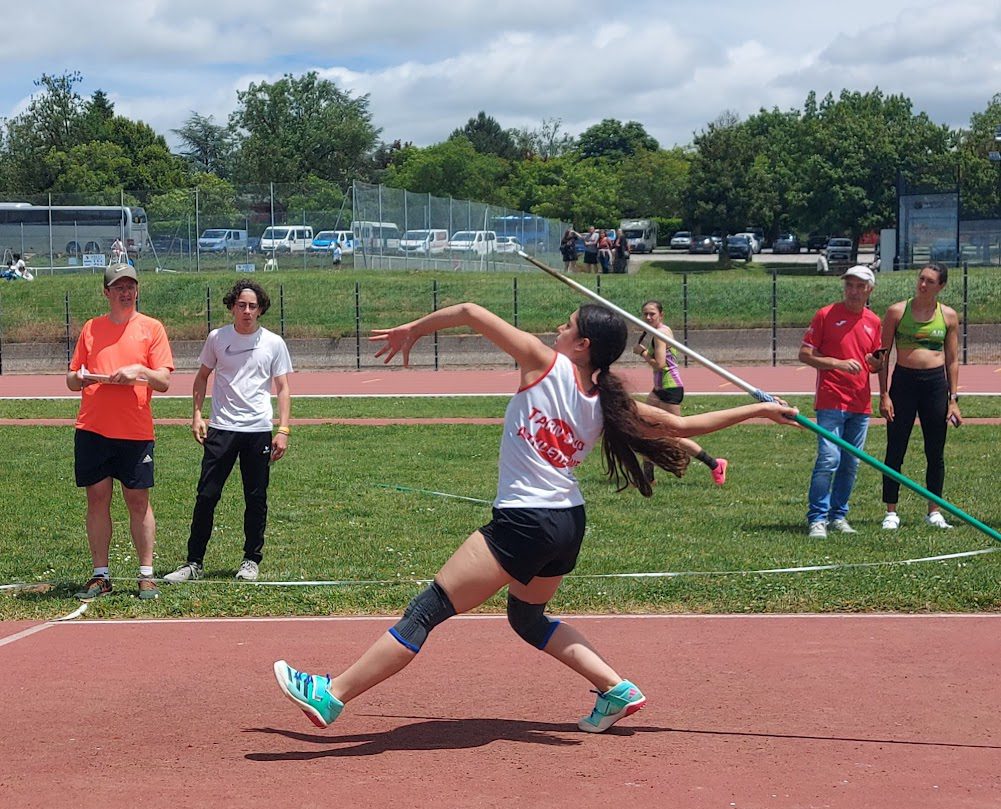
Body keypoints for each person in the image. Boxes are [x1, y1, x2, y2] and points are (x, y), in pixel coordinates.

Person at [273, 301, 796, 734]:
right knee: (525, 618)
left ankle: (332, 695)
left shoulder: (542, 362)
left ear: (583, 343)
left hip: (525, 521)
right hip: (567, 524)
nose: (557, 329)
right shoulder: (604, 400)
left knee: (428, 608)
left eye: (567, 325)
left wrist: (415, 328)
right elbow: (690, 425)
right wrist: (758, 410)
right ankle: (616, 689)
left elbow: (471, 312)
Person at [164, 279, 293, 584]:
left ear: (260, 309)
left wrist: (283, 429)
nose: (247, 311)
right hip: (221, 429)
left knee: (256, 497)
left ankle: (251, 560)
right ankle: (193, 563)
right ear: (232, 307)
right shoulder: (217, 338)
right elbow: (201, 378)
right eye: (241, 305)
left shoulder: (274, 343)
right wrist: (197, 415)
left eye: (253, 306)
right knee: (207, 496)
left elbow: (284, 388)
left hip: (258, 430)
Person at [65, 263, 174, 599]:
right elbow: (71, 379)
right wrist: (81, 378)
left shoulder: (151, 329)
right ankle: (101, 575)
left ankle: (146, 575)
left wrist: (138, 370)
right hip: (93, 428)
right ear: (106, 293)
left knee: (138, 500)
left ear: (137, 290)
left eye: (130, 286)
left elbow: (165, 381)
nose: (126, 292)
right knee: (97, 499)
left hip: (135, 429)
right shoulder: (91, 328)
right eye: (118, 287)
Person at [798, 265, 884, 538]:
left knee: (851, 463)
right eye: (849, 285)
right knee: (828, 458)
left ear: (869, 290)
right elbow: (805, 354)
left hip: (860, 403)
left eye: (860, 286)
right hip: (831, 400)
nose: (853, 291)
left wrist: (874, 363)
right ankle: (817, 519)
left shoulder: (874, 321)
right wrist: (836, 363)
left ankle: (839, 516)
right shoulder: (826, 315)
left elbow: (876, 363)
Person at [877, 263, 962, 530]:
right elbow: (883, 355)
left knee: (935, 451)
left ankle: (934, 510)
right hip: (903, 382)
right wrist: (884, 394)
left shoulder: (948, 316)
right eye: (921, 279)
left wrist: (953, 400)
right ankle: (891, 511)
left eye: (930, 281)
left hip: (935, 385)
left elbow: (952, 360)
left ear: (941, 286)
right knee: (895, 448)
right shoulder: (896, 312)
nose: (923, 284)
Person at [633, 300, 727, 486]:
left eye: (652, 313)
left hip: (670, 389)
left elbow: (659, 364)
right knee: (644, 431)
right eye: (645, 314)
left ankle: (715, 464)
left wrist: (643, 353)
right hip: (659, 390)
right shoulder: (658, 332)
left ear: (661, 315)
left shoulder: (660, 334)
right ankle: (648, 478)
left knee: (676, 437)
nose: (648, 317)